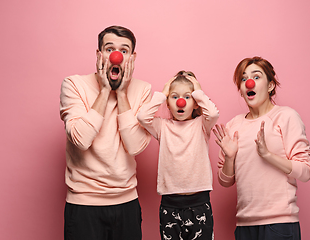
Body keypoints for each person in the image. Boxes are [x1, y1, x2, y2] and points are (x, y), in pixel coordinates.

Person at [59, 25, 152, 240]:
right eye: (110, 49)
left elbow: (135, 146)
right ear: (99, 54)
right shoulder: (73, 84)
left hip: (127, 203)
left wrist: (121, 94)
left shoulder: (143, 90)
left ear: (132, 57)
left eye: (124, 50)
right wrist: (104, 91)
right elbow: (81, 140)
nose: (116, 56)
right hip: (83, 204)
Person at [213, 56, 310, 240]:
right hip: (244, 226)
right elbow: (225, 181)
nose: (249, 82)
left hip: (279, 225)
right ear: (242, 90)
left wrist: (268, 155)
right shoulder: (233, 125)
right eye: (244, 79)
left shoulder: (286, 116)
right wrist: (229, 157)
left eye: (256, 77)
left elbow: (306, 171)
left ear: (270, 86)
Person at [137, 71, 219, 240]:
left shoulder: (202, 124)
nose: (180, 102)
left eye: (187, 97)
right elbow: (142, 117)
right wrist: (163, 93)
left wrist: (197, 91)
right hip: (170, 204)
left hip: (199, 203)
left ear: (196, 103)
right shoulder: (162, 126)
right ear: (167, 103)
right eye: (174, 97)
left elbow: (213, 113)